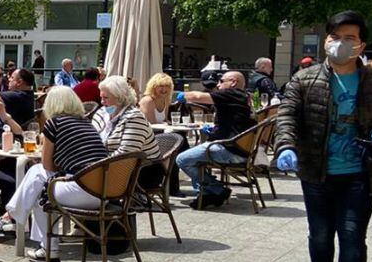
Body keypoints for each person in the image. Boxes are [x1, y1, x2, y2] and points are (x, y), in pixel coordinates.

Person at [274, 11, 372, 262]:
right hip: (316, 172)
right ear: (326, 40)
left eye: (349, 38)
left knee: (352, 235)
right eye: (335, 37)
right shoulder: (304, 78)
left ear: (361, 45)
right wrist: (285, 146)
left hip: (360, 174)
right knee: (321, 234)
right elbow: (286, 116)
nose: (340, 43)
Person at [0, 87, 107, 261]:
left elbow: (47, 165)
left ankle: (12, 220)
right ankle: (15, 222)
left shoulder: (54, 123)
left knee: (38, 177)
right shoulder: (86, 123)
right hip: (103, 192)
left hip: (81, 190)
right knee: (40, 184)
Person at [174, 70, 255, 208]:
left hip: (228, 150)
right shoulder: (244, 97)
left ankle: (216, 190)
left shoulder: (231, 93)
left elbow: (197, 96)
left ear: (233, 82)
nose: (218, 85)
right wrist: (214, 130)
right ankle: (207, 193)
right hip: (240, 150)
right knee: (195, 156)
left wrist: (180, 95)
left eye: (222, 81)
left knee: (182, 159)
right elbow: (235, 123)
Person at [97, 75, 161, 187]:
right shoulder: (101, 113)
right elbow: (91, 140)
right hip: (108, 165)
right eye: (101, 97)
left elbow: (127, 154)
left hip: (140, 171)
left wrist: (95, 165)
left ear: (119, 98)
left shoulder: (134, 117)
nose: (102, 102)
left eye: (106, 98)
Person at [139, 72, 189, 195]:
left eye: (167, 86)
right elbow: (150, 123)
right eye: (160, 86)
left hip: (161, 134)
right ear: (153, 86)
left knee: (180, 142)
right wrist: (167, 125)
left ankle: (173, 186)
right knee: (178, 146)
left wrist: (171, 124)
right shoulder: (147, 100)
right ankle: (173, 187)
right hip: (149, 137)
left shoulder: (165, 100)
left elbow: (164, 120)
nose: (164, 89)